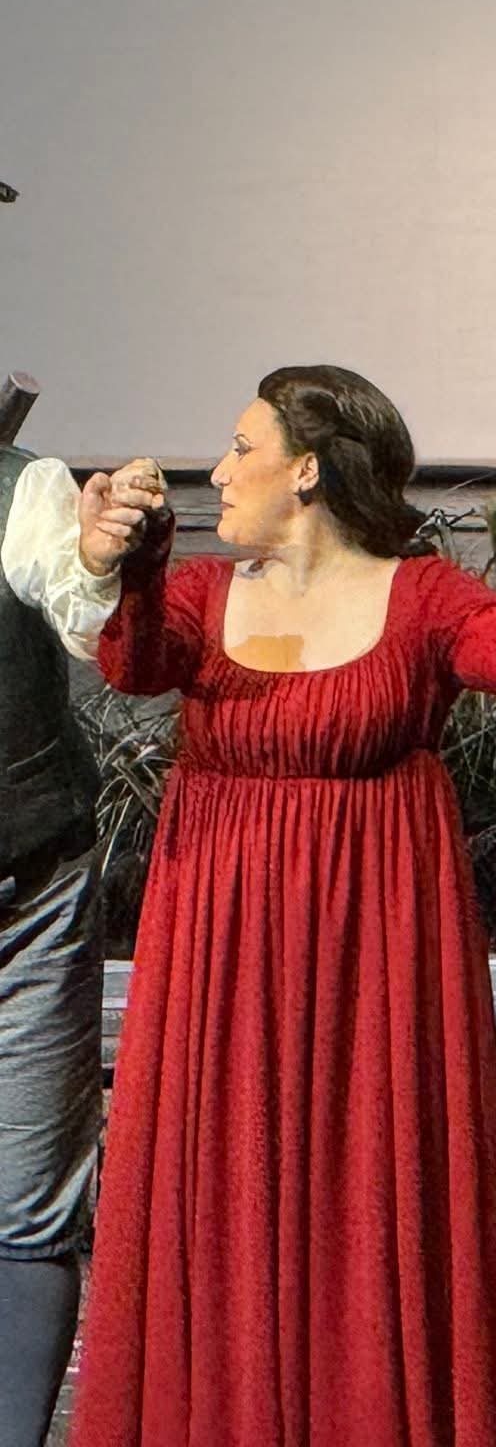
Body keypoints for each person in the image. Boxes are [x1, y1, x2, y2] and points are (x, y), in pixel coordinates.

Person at [70, 365, 496, 1446]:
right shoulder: (205, 594)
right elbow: (135, 664)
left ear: (306, 470)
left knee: (371, 1194)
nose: (219, 471)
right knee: (223, 1192)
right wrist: (139, 564)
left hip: (376, 955)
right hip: (220, 956)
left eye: (242, 447)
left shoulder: (422, 596)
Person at [0, 435, 158, 1447]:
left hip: (28, 894)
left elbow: (74, 608)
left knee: (27, 1208)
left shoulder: (21, 487)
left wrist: (97, 560)